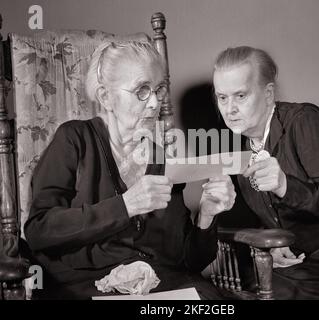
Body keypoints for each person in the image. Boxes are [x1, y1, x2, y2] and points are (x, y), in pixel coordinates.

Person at [24, 40, 236, 299]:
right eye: (142, 90)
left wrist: (206, 216)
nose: (155, 102)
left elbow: (189, 261)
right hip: (86, 285)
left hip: (160, 286)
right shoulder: (74, 139)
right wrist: (125, 205)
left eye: (159, 89)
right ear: (106, 97)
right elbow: (39, 231)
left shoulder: (163, 157)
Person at [212, 46, 319, 299]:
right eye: (222, 97)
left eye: (240, 96)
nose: (229, 108)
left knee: (269, 293)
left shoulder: (305, 120)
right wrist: (277, 245)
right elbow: (275, 218)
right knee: (230, 290)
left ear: (268, 94)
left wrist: (285, 185)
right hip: (303, 261)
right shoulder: (243, 151)